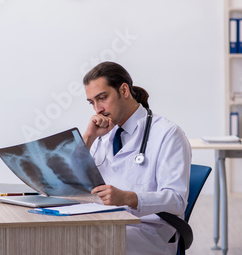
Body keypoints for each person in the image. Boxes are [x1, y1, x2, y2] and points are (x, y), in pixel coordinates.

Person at [82, 61, 192, 255]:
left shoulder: (167, 133)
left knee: (79, 246)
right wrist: (89, 137)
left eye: (102, 98)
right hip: (104, 222)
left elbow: (177, 200)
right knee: (52, 237)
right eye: (92, 102)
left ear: (124, 90)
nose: (97, 109)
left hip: (147, 231)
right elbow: (70, 178)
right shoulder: (102, 133)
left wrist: (127, 198)